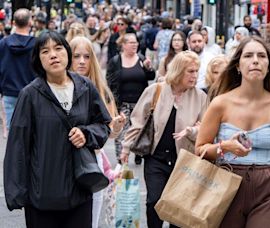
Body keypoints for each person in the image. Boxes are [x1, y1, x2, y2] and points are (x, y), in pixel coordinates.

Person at [195, 36, 270, 227]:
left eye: (262, 56)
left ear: (269, 65)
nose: (255, 60)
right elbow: (200, 149)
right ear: (238, 65)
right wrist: (225, 147)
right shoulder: (220, 103)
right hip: (225, 185)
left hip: (268, 188)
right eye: (248, 55)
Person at [3, 31, 111, 227]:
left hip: (79, 193)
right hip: (42, 197)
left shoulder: (85, 87)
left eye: (58, 48)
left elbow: (103, 125)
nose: (53, 55)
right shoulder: (30, 95)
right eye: (45, 51)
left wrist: (86, 133)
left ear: (67, 53)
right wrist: (17, 193)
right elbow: (17, 146)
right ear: (38, 59)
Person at [120, 50, 207, 228]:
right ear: (178, 70)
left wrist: (191, 131)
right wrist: (126, 148)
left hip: (184, 160)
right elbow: (138, 121)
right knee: (154, 202)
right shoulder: (155, 90)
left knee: (178, 209)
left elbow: (205, 130)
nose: (195, 75)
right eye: (190, 71)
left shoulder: (200, 97)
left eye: (197, 71)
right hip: (156, 158)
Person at [69, 36, 125, 228]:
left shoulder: (100, 90)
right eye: (77, 56)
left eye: (86, 56)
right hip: (64, 163)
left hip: (93, 163)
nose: (82, 61)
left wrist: (116, 127)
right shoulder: (57, 88)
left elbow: (108, 134)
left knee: (90, 220)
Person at [106, 33, 156, 165]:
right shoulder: (116, 61)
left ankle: (137, 153)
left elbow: (151, 77)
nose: (135, 45)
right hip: (123, 104)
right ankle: (121, 160)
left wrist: (148, 67)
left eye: (136, 42)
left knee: (140, 131)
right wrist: (111, 103)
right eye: (131, 43)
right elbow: (109, 82)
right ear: (123, 45)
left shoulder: (141, 58)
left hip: (141, 104)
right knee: (122, 132)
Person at [0, 8, 36, 130]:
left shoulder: (3, 44)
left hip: (9, 92)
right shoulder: (36, 45)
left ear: (13, 23)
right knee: (31, 131)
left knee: (12, 133)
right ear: (30, 22)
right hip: (32, 93)